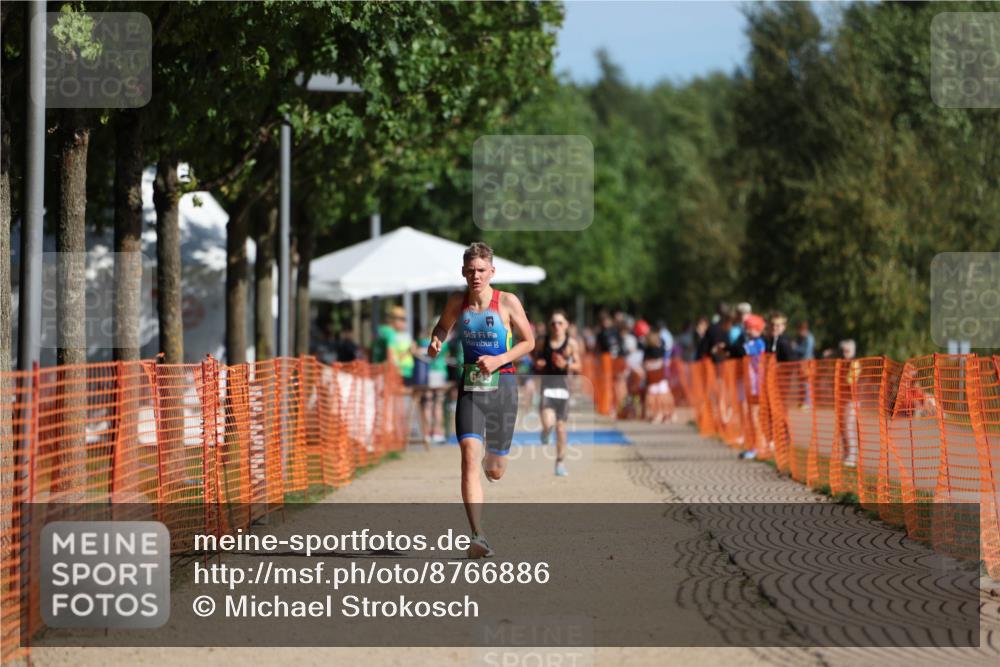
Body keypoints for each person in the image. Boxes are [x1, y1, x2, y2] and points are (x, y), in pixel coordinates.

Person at [427, 242, 534, 559]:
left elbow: (529, 342)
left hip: (503, 388)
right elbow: (442, 327)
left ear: (492, 272)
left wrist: (499, 358)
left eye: (482, 271)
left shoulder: (507, 302)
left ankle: (496, 459)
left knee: (495, 469)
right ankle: (478, 535)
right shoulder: (457, 302)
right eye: (471, 270)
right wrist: (436, 341)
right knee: (468, 457)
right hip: (470, 387)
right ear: (463, 272)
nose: (476, 276)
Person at [533, 309, 582, 477]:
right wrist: (537, 362)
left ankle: (560, 463)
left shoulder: (571, 344)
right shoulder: (542, 341)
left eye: (560, 323)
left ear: (566, 325)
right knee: (548, 423)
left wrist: (566, 365)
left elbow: (578, 366)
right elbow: (533, 353)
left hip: (563, 390)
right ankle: (545, 432)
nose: (556, 326)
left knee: (561, 429)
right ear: (549, 326)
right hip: (547, 389)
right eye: (553, 323)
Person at [738, 314, 767, 460]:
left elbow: (741, 350)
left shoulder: (758, 343)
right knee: (752, 416)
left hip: (757, 386)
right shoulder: (754, 342)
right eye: (746, 329)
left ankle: (758, 446)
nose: (747, 332)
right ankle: (756, 445)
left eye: (750, 329)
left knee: (756, 417)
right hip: (752, 386)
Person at [643, 330, 676, 423]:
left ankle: (659, 414)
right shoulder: (658, 350)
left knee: (656, 395)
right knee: (661, 395)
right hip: (657, 377)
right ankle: (664, 414)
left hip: (655, 377)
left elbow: (646, 363)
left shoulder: (649, 350)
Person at [838, 339, 861, 468]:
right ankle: (847, 454)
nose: (844, 353)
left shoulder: (854, 363)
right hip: (843, 399)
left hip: (852, 400)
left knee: (848, 428)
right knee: (843, 428)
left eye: (846, 351)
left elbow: (849, 381)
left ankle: (852, 456)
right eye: (843, 351)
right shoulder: (842, 363)